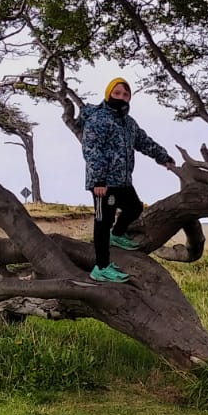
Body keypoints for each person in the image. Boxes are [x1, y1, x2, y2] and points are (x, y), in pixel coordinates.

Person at [81, 77, 177, 283]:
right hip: (103, 184)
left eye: (125, 94)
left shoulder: (129, 123)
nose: (122, 97)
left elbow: (144, 142)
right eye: (117, 93)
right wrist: (98, 181)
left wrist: (163, 157)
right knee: (103, 221)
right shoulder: (98, 119)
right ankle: (101, 268)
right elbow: (92, 150)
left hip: (122, 181)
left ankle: (117, 235)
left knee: (134, 207)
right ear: (108, 94)